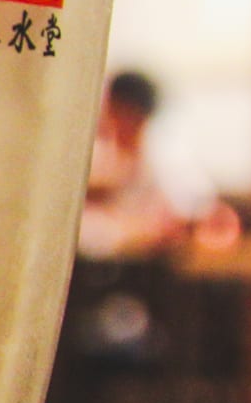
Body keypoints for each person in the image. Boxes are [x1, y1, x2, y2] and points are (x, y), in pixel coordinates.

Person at [77, 69, 224, 260]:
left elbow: (198, 216)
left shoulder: (167, 160)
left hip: (151, 262)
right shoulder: (103, 155)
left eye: (115, 110)